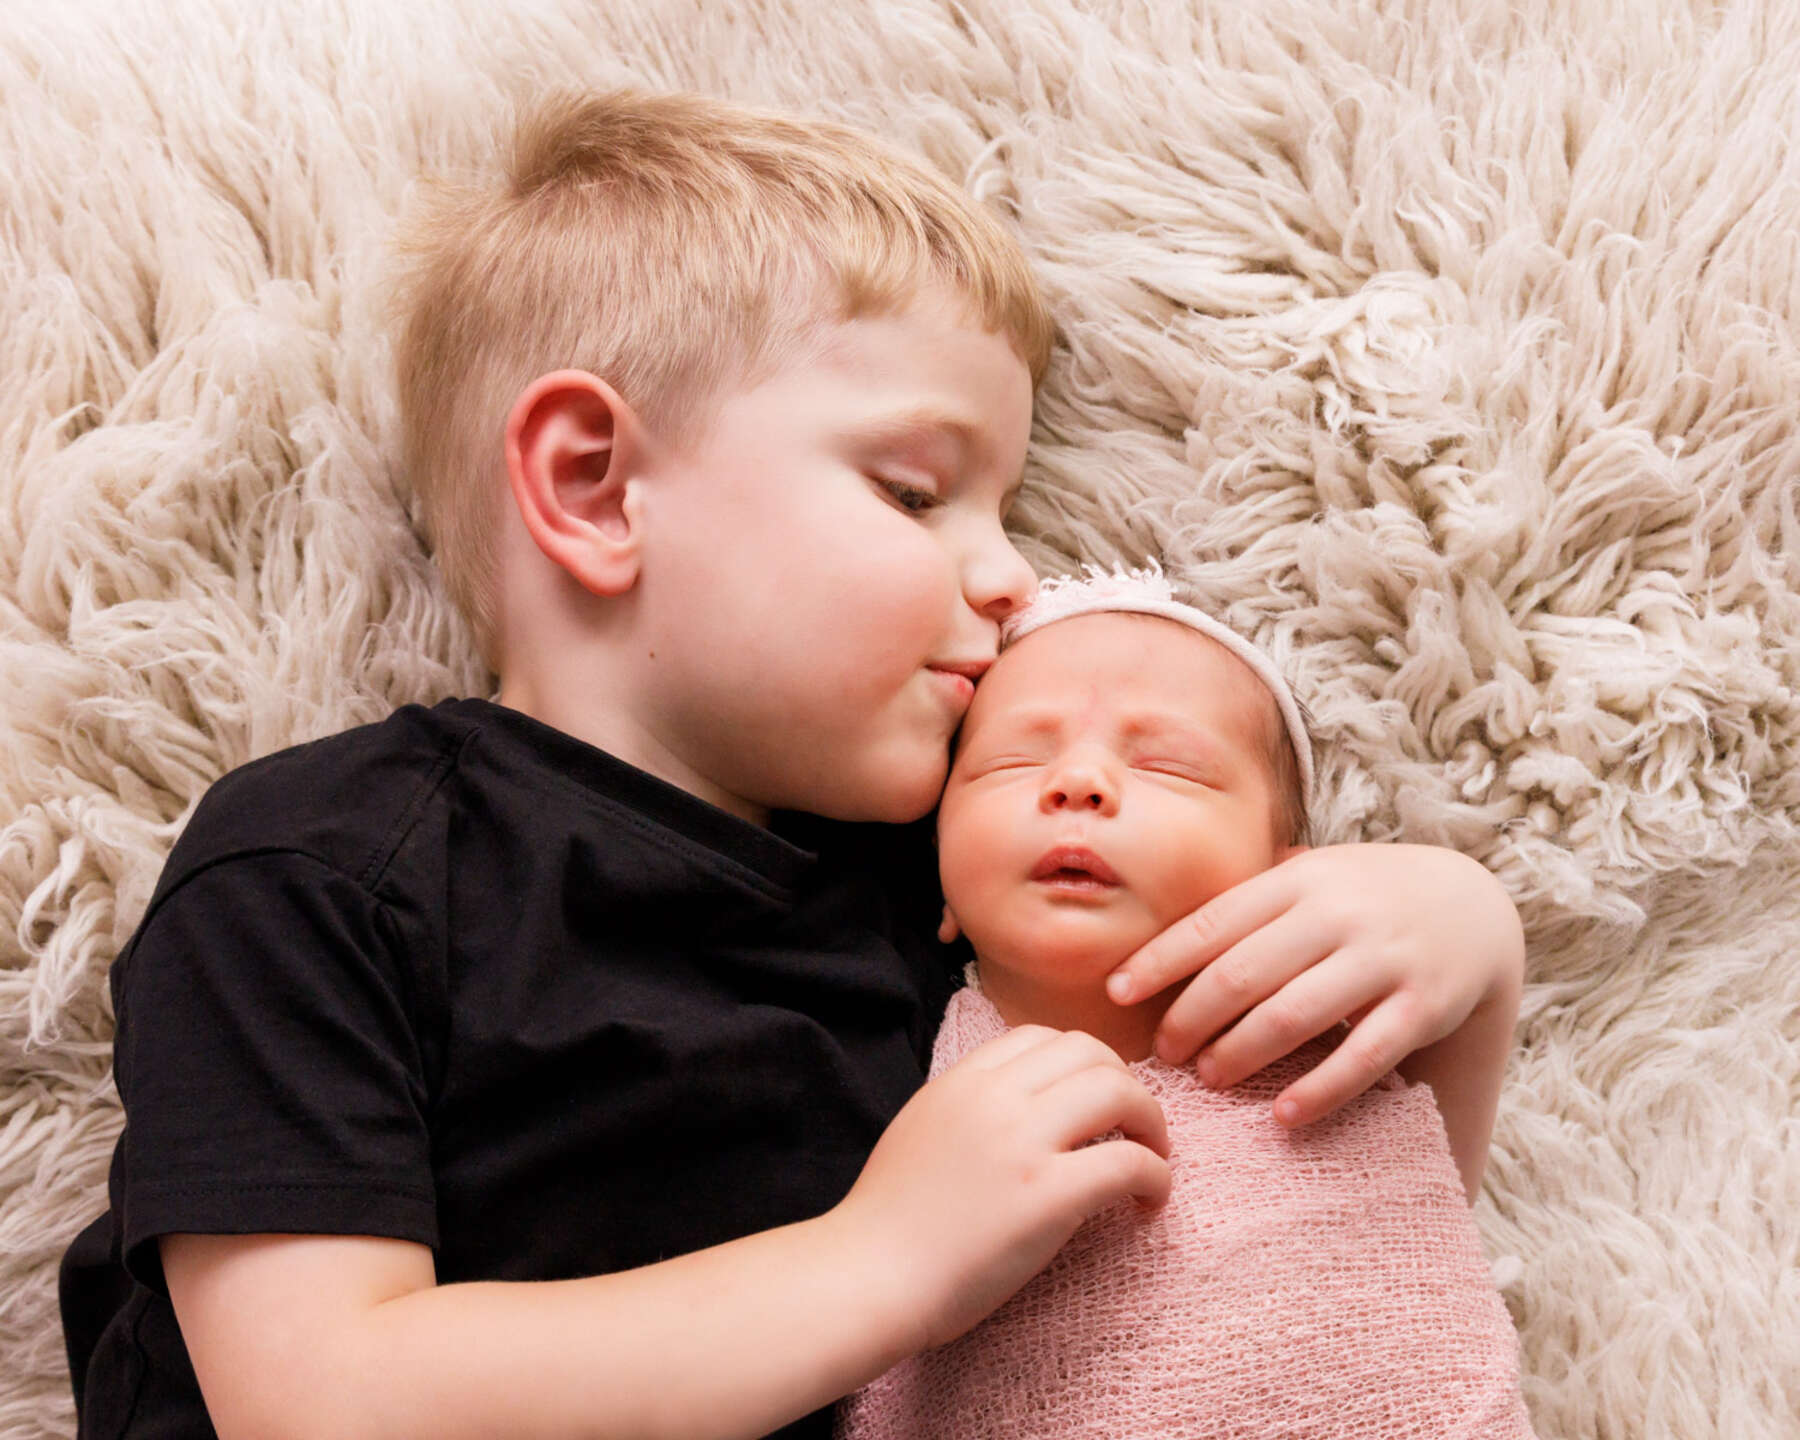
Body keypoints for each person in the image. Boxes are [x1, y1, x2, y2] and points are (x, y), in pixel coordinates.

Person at [58, 90, 1527, 1440]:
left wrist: (1462, 932)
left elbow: (1304, 1212)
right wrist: (876, 1264)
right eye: (914, 490)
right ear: (593, 485)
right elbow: (320, 1400)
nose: (1014, 576)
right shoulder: (327, 866)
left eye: (1005, 508)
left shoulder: (930, 891)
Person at [838, 568, 1534, 1440]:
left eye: (1168, 764)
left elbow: (1427, 1207)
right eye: (1014, 760)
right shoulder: (885, 1055)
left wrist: (1475, 912)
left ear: (1289, 872)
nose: (1079, 781)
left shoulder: (1334, 1038)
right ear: (939, 884)